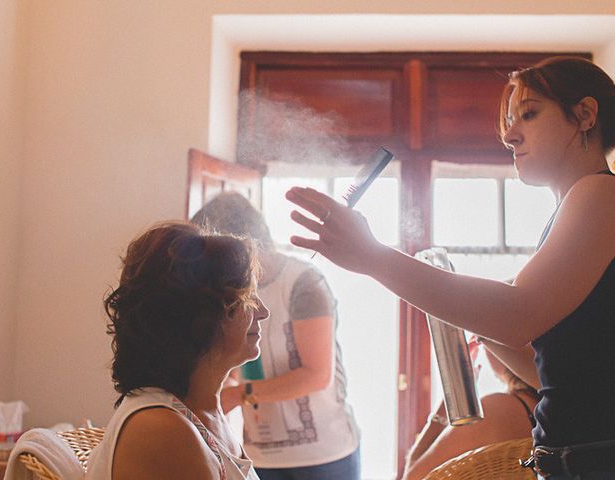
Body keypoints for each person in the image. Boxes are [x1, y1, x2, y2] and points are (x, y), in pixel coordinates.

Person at [286, 56, 615, 479]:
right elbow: (560, 373)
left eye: (529, 115)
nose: (510, 136)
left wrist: (370, 255)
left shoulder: (598, 195)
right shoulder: (578, 206)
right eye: (509, 122)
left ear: (586, 114)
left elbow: (518, 314)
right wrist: (478, 321)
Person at [192, 192, 360, 480]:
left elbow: (317, 375)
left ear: (240, 242)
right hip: (260, 453)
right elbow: (234, 362)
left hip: (324, 455)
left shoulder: (303, 283)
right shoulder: (226, 290)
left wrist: (239, 393)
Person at [85, 221, 269, 480]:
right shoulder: (161, 429)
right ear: (201, 318)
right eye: (246, 300)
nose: (263, 312)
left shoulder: (204, 411)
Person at [403, 340, 540, 480]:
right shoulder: (549, 410)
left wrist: (450, 397)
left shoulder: (496, 410)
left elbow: (412, 477)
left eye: (483, 340)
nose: (484, 350)